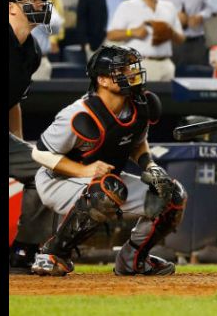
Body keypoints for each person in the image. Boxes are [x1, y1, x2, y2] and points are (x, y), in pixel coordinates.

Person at [30, 45, 187, 276]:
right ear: (103, 80)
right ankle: (53, 254)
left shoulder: (140, 105)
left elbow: (137, 143)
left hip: (106, 181)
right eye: (122, 70)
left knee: (171, 195)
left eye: (131, 68)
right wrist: (84, 171)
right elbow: (40, 153)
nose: (132, 74)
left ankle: (133, 260)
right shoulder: (79, 113)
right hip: (58, 180)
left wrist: (150, 166)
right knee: (107, 191)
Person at [8, 0, 57, 273]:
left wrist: (20, 142)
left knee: (45, 169)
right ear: (12, 7)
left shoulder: (32, 50)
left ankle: (25, 251)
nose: (40, 4)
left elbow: (13, 100)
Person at [106, 0, 185, 81]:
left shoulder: (169, 7)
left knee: (165, 99)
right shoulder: (127, 6)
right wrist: (132, 32)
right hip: (138, 64)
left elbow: (181, 39)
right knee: (137, 98)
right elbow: (111, 35)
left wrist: (170, 32)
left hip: (166, 63)